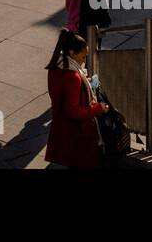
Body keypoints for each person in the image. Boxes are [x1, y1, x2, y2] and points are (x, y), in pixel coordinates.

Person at [44, 28, 108, 169]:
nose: (84, 60)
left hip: (62, 130)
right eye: (83, 56)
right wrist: (98, 108)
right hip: (77, 133)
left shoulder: (57, 68)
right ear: (72, 53)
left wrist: (88, 82)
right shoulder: (73, 76)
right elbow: (73, 111)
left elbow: (65, 94)